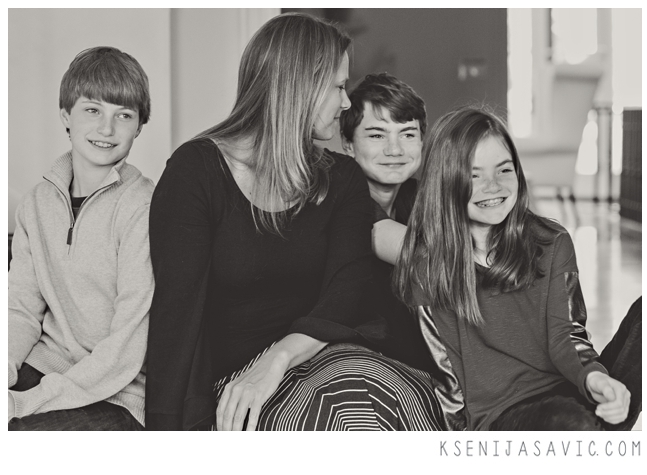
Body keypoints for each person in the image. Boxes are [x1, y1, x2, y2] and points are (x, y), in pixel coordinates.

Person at [146, 12, 443, 431]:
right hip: (239, 382)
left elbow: (345, 295)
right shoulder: (196, 171)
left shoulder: (342, 178)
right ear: (299, 85)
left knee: (363, 407)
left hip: (334, 359)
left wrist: (278, 358)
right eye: (338, 87)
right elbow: (175, 319)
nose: (346, 102)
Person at [393, 105, 640, 430]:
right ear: (445, 181)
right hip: (505, 417)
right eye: (474, 175)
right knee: (568, 421)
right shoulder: (428, 267)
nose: (493, 186)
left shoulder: (552, 241)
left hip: (573, 391)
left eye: (504, 170)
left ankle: (600, 425)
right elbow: (447, 376)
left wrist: (598, 380)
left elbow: (567, 336)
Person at [8, 46, 154, 430]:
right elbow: (21, 309)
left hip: (118, 391)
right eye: (92, 110)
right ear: (66, 116)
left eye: (124, 115)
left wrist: (25, 404)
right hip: (44, 364)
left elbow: (127, 345)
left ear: (139, 127)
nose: (107, 129)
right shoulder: (36, 204)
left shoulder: (143, 207)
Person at [339, 72, 434, 373]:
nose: (395, 150)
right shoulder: (340, 198)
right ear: (348, 144)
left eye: (407, 134)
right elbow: (428, 256)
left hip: (413, 361)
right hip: (353, 362)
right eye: (377, 135)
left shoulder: (420, 198)